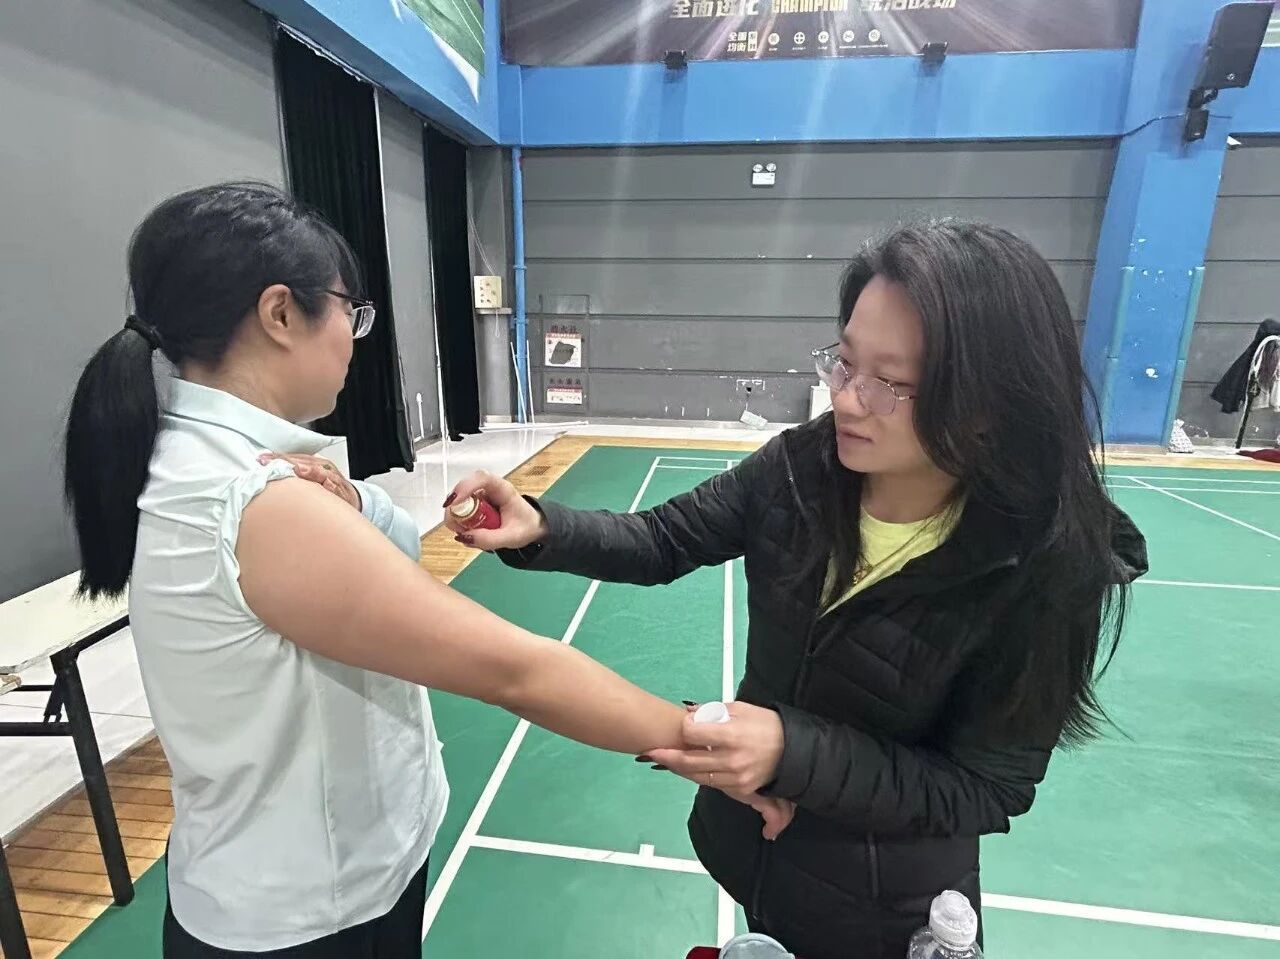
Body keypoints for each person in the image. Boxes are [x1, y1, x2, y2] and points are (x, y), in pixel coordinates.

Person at [62, 182, 790, 959]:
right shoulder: (258, 501)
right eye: (348, 311)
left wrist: (356, 503)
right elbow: (516, 670)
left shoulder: (210, 464)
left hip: (323, 882)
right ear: (280, 314)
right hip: (311, 917)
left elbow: (391, 552)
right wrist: (702, 744)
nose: (354, 337)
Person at [446, 221, 1149, 959]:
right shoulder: (800, 468)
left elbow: (984, 788)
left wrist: (792, 751)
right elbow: (665, 538)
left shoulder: (1044, 567)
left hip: (883, 901)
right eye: (844, 363)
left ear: (986, 403)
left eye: (890, 383)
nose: (847, 399)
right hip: (755, 840)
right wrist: (540, 527)